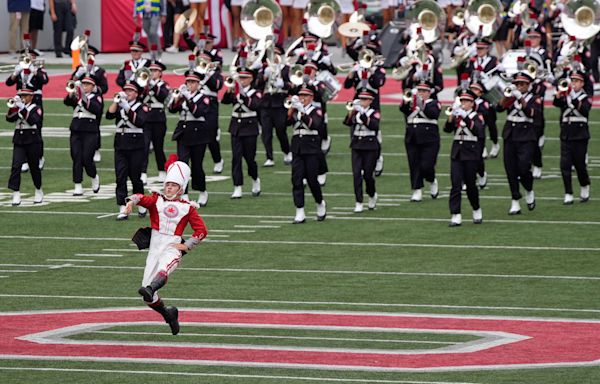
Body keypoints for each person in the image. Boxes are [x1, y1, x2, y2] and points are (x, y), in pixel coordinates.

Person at [126, 158, 208, 336]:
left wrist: (186, 245)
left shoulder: (188, 208)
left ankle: (152, 288)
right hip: (155, 245)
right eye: (167, 184)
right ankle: (169, 314)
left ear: (181, 188)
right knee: (146, 297)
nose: (169, 187)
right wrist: (131, 201)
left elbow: (201, 230)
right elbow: (141, 198)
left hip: (172, 246)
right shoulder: (157, 200)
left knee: (164, 269)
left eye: (173, 185)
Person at [496, 71, 541, 215]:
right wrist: (507, 96)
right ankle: (515, 200)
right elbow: (499, 108)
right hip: (510, 135)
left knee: (523, 168)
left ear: (529, 85)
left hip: (526, 136)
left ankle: (528, 189)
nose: (519, 86)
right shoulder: (511, 98)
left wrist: (521, 98)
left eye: (522, 84)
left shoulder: (535, 98)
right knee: (510, 170)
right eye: (517, 84)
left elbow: (531, 113)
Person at [168, 69, 212, 207]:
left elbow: (198, 112)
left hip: (198, 133)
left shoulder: (203, 97)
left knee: (197, 165)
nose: (190, 84)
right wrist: (176, 99)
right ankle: (184, 194)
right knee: (182, 165)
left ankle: (202, 190)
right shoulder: (184, 96)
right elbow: (172, 109)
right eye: (188, 82)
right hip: (184, 133)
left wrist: (188, 97)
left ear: (198, 84)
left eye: (193, 82)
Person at [105, 81, 148, 220]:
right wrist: (116, 101)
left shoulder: (142, 107)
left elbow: (140, 121)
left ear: (136, 93)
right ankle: (122, 208)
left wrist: (128, 108)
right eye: (126, 90)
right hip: (121, 144)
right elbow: (109, 115)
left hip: (136, 145)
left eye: (130, 91)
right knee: (120, 177)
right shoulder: (119, 105)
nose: (127, 93)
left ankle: (140, 202)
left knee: (135, 177)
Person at [443, 90, 485, 227]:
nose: (463, 104)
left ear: (472, 103)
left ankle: (476, 207)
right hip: (457, 153)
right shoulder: (458, 116)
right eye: (462, 101)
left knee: (470, 185)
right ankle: (456, 214)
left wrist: (465, 116)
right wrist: (451, 116)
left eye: (466, 101)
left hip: (471, 154)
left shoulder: (477, 116)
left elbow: (478, 131)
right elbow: (447, 129)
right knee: (455, 184)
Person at [287, 85, 327, 224]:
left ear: (311, 97)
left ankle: (319, 202)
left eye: (305, 96)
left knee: (312, 181)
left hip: (311, 148)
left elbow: (314, 124)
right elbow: (284, 123)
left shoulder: (317, 111)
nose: (302, 98)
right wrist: (291, 109)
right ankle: (300, 211)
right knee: (296, 180)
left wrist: (302, 112)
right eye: (301, 95)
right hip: (297, 148)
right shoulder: (295, 110)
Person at [221, 68, 262, 199]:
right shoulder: (235, 90)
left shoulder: (256, 92)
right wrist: (230, 90)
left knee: (250, 159)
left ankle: (255, 178)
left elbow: (255, 105)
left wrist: (243, 95)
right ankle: (237, 187)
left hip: (249, 128)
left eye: (244, 78)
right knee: (236, 159)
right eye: (241, 78)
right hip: (236, 127)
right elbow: (224, 101)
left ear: (251, 79)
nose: (242, 80)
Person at [553, 71, 591, 204]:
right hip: (566, 134)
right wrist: (559, 95)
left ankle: (584, 185)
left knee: (580, 165)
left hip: (580, 135)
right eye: (572, 81)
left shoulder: (586, 97)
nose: (573, 83)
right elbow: (556, 103)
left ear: (582, 83)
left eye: (576, 81)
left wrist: (572, 96)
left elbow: (584, 110)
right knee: (565, 165)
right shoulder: (566, 95)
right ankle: (568, 192)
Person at [399, 81, 441, 202]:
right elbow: (402, 109)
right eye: (419, 91)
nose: (421, 93)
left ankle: (432, 179)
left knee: (427, 165)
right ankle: (417, 190)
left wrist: (420, 103)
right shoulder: (411, 103)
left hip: (429, 138)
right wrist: (407, 101)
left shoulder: (434, 103)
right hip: (412, 136)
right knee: (414, 164)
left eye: (423, 91)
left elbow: (432, 114)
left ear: (429, 93)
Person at [63, 74, 103, 196]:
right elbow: (66, 102)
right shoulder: (77, 96)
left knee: (87, 157)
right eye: (83, 84)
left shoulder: (97, 97)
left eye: (87, 84)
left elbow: (95, 109)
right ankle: (77, 184)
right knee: (76, 157)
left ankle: (93, 176)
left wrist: (83, 96)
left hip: (90, 130)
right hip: (76, 128)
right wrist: (72, 93)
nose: (84, 86)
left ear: (93, 86)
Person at [343, 90, 381, 213]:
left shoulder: (374, 112)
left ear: (370, 101)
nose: (362, 101)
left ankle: (371, 194)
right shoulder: (355, 112)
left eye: (365, 99)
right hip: (357, 145)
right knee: (356, 174)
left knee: (368, 175)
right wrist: (351, 112)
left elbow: (374, 126)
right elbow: (347, 123)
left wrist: (362, 113)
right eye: (361, 99)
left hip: (370, 146)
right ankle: (358, 201)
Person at [6, 85, 44, 206]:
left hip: (32, 140)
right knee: (16, 166)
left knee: (34, 168)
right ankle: (16, 192)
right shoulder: (17, 107)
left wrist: (22, 108)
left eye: (25, 96)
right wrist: (14, 108)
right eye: (21, 95)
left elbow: (33, 120)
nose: (23, 98)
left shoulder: (36, 108)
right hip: (19, 139)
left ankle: (38, 189)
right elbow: (9, 119)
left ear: (31, 96)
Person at [141, 59, 169, 184]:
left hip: (158, 119)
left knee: (158, 147)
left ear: (160, 72)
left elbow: (163, 95)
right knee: (144, 146)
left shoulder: (164, 85)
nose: (152, 73)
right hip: (146, 118)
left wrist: (152, 84)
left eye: (155, 71)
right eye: (151, 70)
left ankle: (162, 171)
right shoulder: (143, 84)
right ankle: (143, 172)